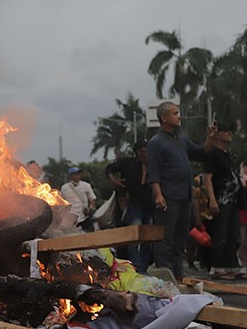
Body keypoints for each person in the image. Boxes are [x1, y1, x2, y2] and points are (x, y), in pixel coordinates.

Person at [146, 101, 216, 281]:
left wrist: (211, 138)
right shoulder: (155, 143)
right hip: (168, 196)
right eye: (175, 113)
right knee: (165, 237)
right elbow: (153, 172)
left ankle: (178, 273)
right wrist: (158, 195)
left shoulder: (181, 139)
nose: (179, 116)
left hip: (185, 195)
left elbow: (201, 153)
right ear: (164, 118)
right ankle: (165, 274)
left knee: (180, 238)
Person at [203, 122, 247, 280]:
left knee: (234, 234)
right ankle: (217, 267)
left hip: (233, 200)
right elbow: (207, 177)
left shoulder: (228, 154)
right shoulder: (213, 154)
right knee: (220, 234)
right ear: (218, 135)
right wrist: (212, 200)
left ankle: (231, 266)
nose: (229, 133)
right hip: (221, 200)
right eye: (226, 131)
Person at [105, 140, 153, 273]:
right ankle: (136, 267)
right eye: (142, 151)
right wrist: (114, 180)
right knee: (134, 237)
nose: (145, 154)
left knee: (148, 238)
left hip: (149, 204)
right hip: (134, 204)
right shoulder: (128, 163)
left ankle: (144, 267)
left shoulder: (153, 164)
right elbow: (109, 168)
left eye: (147, 151)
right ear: (137, 152)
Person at [60, 167, 96, 232]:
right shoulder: (64, 188)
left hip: (84, 217)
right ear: (70, 176)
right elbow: (62, 202)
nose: (78, 176)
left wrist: (90, 208)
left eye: (79, 174)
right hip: (71, 218)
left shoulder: (86, 185)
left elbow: (92, 198)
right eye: (75, 174)